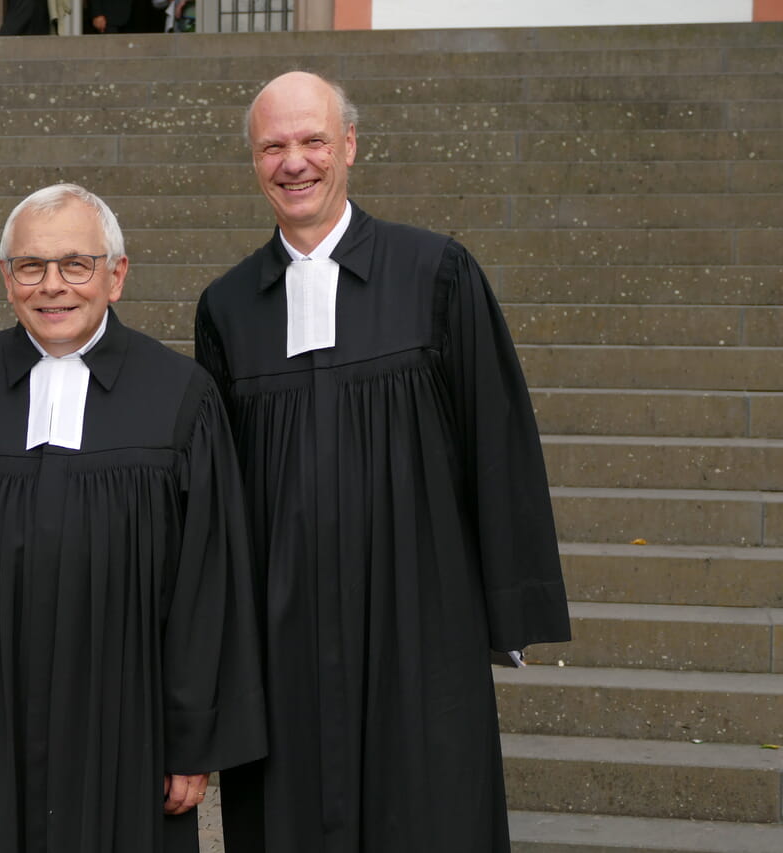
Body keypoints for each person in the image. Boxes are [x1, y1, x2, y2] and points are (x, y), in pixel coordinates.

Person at [194, 71, 572, 852]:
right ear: (253, 161)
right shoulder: (228, 307)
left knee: (427, 811)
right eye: (273, 146)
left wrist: (507, 607)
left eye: (313, 142)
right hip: (282, 627)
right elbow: (218, 491)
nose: (294, 162)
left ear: (350, 147)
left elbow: (494, 437)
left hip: (420, 615)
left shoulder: (435, 273)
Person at [0, 183, 266, 853]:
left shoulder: (179, 396)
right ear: (6, 277)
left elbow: (207, 583)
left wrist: (191, 739)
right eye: (32, 266)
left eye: (76, 264)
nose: (53, 286)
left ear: (116, 275)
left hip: (127, 729)